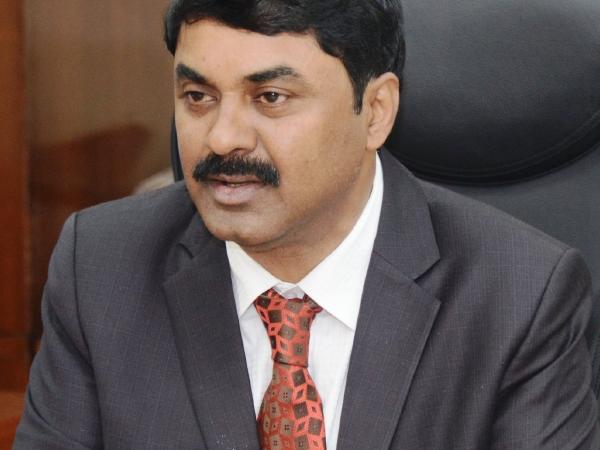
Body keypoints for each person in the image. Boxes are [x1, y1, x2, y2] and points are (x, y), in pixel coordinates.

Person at [14, 0, 600, 448]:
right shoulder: (101, 267)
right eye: (197, 96)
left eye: (270, 96)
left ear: (376, 112)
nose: (222, 138)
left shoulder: (520, 296)